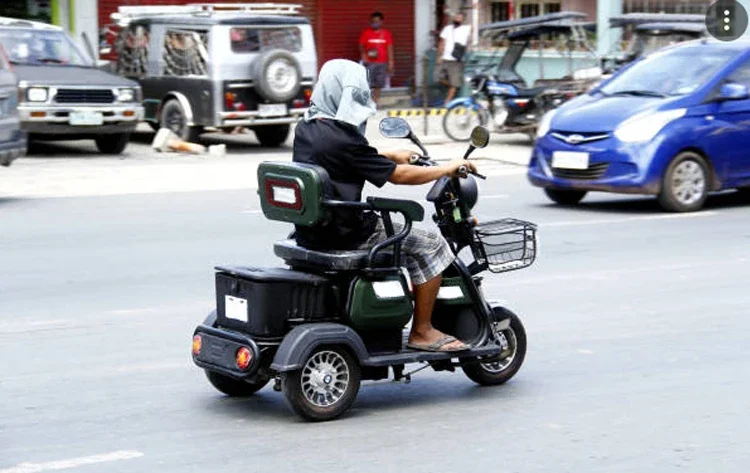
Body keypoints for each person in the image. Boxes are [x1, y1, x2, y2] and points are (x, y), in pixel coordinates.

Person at [292, 59, 478, 352]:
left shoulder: (308, 127)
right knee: (433, 245)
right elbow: (399, 177)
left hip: (313, 229)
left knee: (414, 242)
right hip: (348, 232)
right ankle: (423, 331)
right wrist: (447, 169)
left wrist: (389, 153)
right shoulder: (344, 139)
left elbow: (347, 157)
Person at [435, 12, 471, 106]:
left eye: (460, 18)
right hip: (445, 58)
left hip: (457, 60)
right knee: (437, 77)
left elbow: (475, 29)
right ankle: (452, 85)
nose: (457, 19)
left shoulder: (466, 29)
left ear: (463, 20)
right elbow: (441, 42)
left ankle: (447, 102)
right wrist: (439, 56)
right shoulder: (447, 29)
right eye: (456, 17)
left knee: (454, 82)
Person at [358, 11, 394, 105]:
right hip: (369, 63)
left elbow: (389, 48)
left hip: (382, 63)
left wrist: (390, 62)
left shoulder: (386, 34)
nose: (375, 23)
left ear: (382, 22)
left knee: (379, 84)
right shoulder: (366, 33)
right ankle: (366, 103)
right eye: (373, 21)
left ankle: (374, 103)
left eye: (377, 21)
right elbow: (361, 46)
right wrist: (364, 56)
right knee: (367, 84)